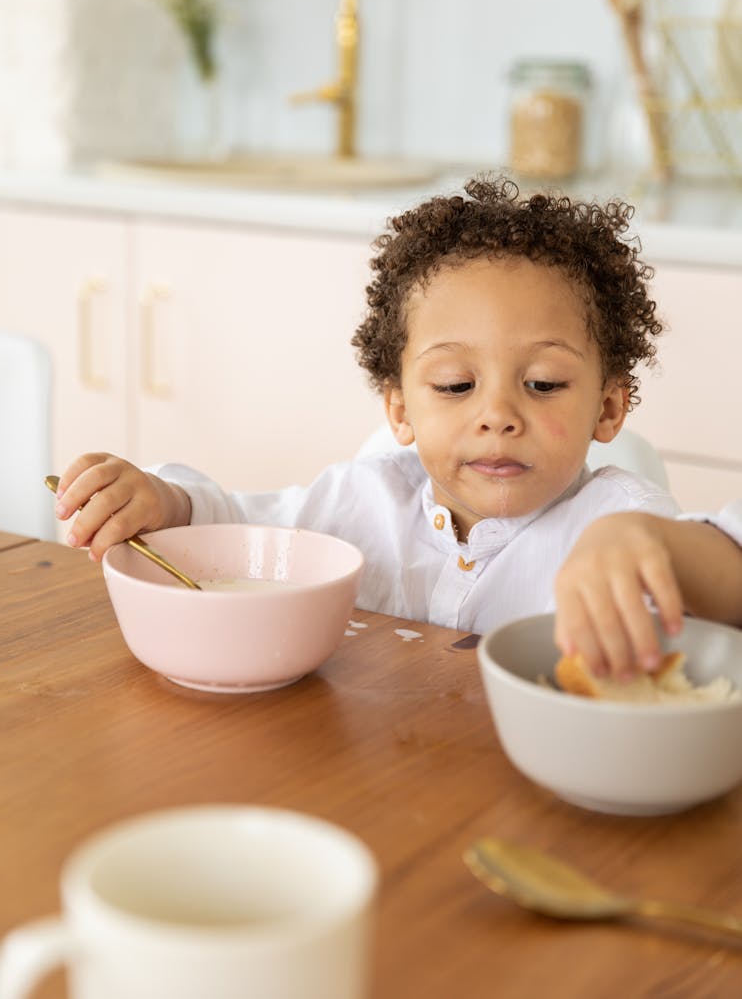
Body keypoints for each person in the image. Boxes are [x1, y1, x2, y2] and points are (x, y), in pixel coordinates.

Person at [55, 176, 742, 678]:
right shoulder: (360, 501)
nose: (497, 414)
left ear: (609, 407)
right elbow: (235, 527)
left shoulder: (617, 521)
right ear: (401, 409)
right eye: (454, 385)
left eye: (542, 384)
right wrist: (164, 501)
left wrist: (649, 543)